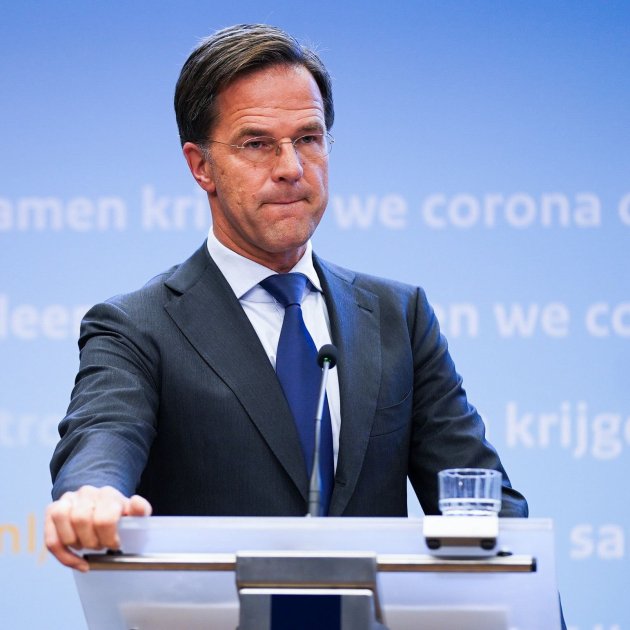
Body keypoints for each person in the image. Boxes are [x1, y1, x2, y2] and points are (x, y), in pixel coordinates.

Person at [45, 23, 528, 573]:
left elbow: (485, 506)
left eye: (308, 139)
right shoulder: (136, 326)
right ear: (201, 166)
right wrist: (93, 495)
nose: (291, 169)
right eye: (257, 144)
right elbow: (103, 436)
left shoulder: (399, 316)